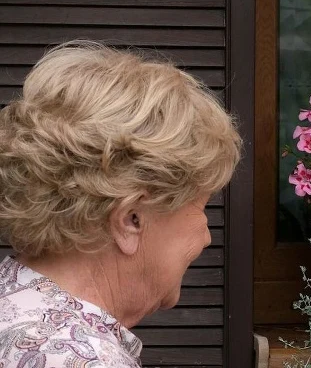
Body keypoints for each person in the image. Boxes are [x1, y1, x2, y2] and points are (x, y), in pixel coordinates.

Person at [0, 41, 242, 366]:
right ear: (131, 220)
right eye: (200, 206)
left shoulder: (13, 296)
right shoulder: (82, 358)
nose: (206, 236)